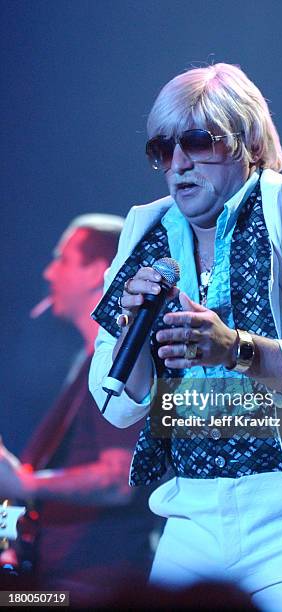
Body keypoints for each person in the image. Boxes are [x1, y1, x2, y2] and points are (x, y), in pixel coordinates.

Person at [88, 64, 282, 611]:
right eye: (162, 149)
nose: (178, 164)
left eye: (198, 142)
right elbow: (115, 407)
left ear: (247, 143)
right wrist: (134, 332)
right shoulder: (143, 233)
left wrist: (236, 349)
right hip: (189, 514)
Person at [0, 214, 161, 600]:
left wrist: (23, 482)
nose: (50, 272)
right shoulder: (85, 369)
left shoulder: (120, 369)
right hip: (66, 576)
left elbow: (118, 478)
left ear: (96, 273)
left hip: (97, 584)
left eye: (63, 259)